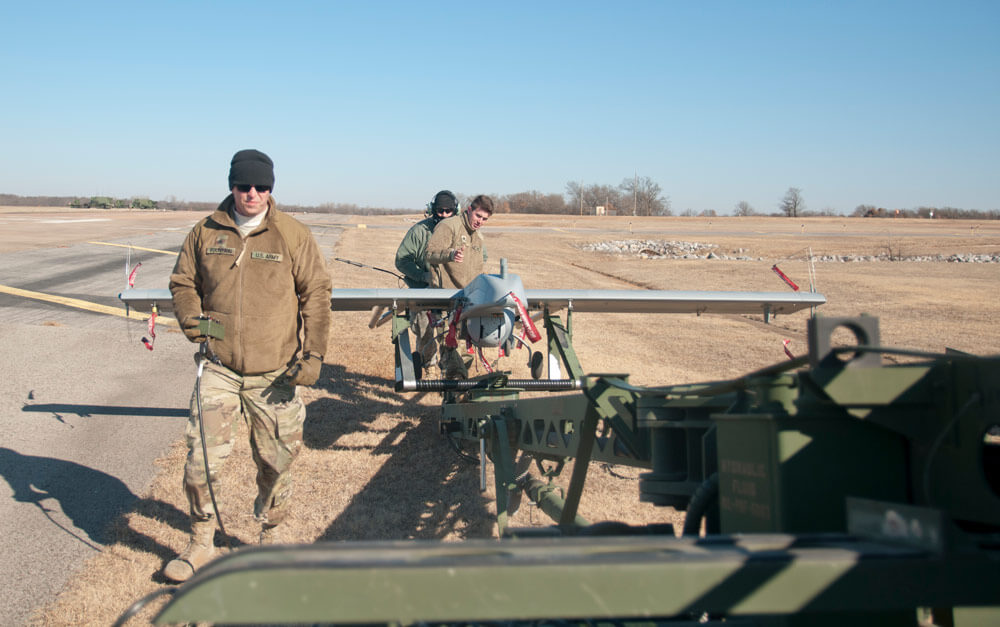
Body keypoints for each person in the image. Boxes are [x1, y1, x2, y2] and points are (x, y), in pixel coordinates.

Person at [163, 149, 332, 582]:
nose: (253, 194)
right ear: (231, 186)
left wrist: (312, 354)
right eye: (244, 186)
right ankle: (201, 542)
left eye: (262, 187)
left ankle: (269, 537)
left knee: (276, 462)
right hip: (218, 367)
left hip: (273, 372)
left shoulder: (292, 234)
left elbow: (317, 293)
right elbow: (183, 282)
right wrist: (192, 320)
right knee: (200, 463)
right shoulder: (205, 232)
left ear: (271, 189)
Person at [425, 194, 494, 378]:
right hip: (446, 300)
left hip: (469, 302)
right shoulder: (449, 226)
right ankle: (456, 391)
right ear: (469, 210)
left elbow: (477, 267)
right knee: (451, 350)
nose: (480, 221)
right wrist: (450, 254)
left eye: (485, 219)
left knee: (466, 352)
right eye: (478, 216)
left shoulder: (477, 236)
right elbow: (430, 253)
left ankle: (458, 388)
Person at [394, 190, 459, 379]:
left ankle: (450, 371)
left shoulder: (462, 232)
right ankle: (428, 367)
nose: (445, 215)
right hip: (424, 293)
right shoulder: (419, 231)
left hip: (453, 293)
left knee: (452, 332)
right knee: (424, 332)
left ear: (456, 210)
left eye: (449, 211)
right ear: (433, 210)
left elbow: (480, 257)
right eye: (440, 210)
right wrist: (423, 276)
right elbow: (402, 260)